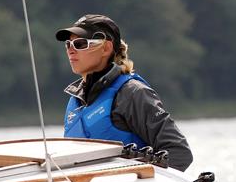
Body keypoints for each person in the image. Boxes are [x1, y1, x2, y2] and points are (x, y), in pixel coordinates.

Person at [56, 14, 193, 171]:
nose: (71, 51)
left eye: (80, 44)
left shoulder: (133, 93)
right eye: (68, 44)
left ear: (106, 48)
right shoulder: (75, 102)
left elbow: (179, 153)